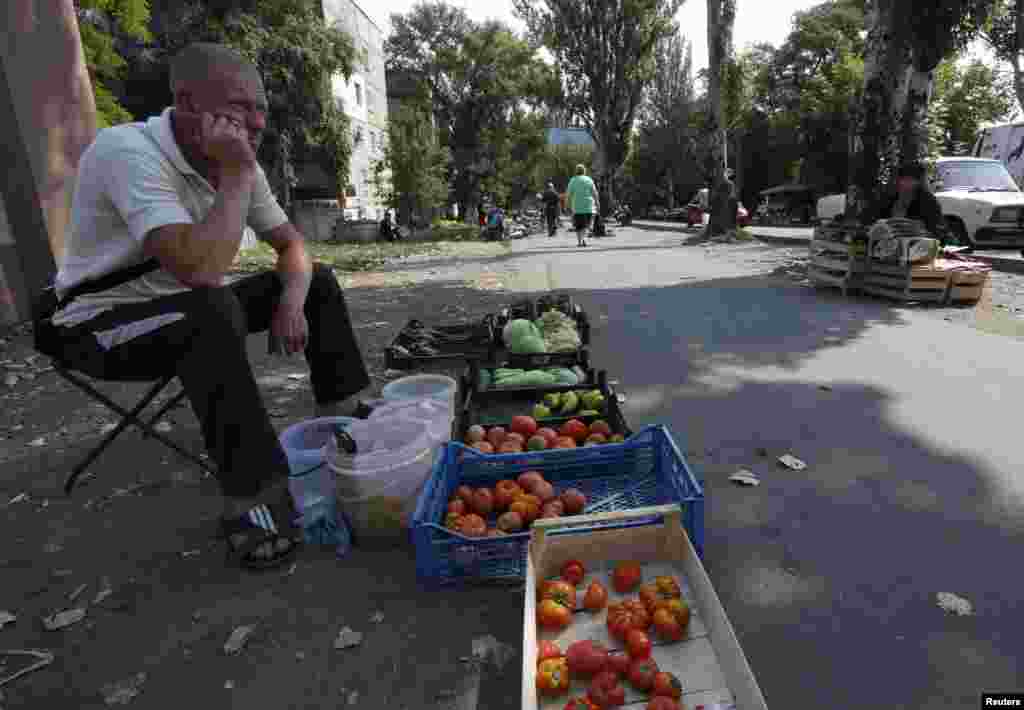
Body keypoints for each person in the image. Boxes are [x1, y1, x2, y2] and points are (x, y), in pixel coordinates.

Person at [44, 43, 371, 571]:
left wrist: (291, 301)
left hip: (188, 310)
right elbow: (198, 271)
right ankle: (254, 501)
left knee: (318, 283)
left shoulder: (239, 162)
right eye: (241, 107)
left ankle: (345, 419)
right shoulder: (125, 152)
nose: (258, 121)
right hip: (96, 325)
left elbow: (292, 246)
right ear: (189, 103)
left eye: (261, 107)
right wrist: (237, 175)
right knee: (212, 307)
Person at [868, 161, 947, 245]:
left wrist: (921, 232)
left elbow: (940, 235)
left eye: (910, 180)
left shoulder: (929, 202)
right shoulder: (889, 199)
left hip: (917, 248)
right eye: (903, 179)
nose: (905, 184)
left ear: (920, 182)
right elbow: (875, 224)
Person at [566, 164, 599, 247]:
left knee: (578, 225)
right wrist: (597, 202)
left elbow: (569, 194)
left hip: (577, 207)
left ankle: (580, 241)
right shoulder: (589, 180)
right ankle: (584, 238)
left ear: (576, 171)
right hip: (588, 206)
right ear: (584, 171)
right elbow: (594, 193)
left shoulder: (573, 180)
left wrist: (567, 205)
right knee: (587, 224)